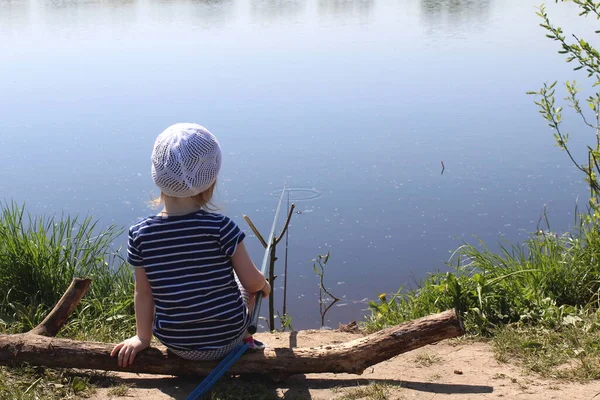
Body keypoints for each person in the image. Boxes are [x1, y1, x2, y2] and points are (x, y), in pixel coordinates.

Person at [110, 123, 271, 368]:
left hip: (177, 343)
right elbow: (251, 282)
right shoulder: (221, 227)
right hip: (228, 339)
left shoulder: (140, 234)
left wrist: (142, 337)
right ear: (210, 181)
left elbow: (143, 293)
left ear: (158, 176)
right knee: (245, 284)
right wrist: (263, 285)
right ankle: (246, 339)